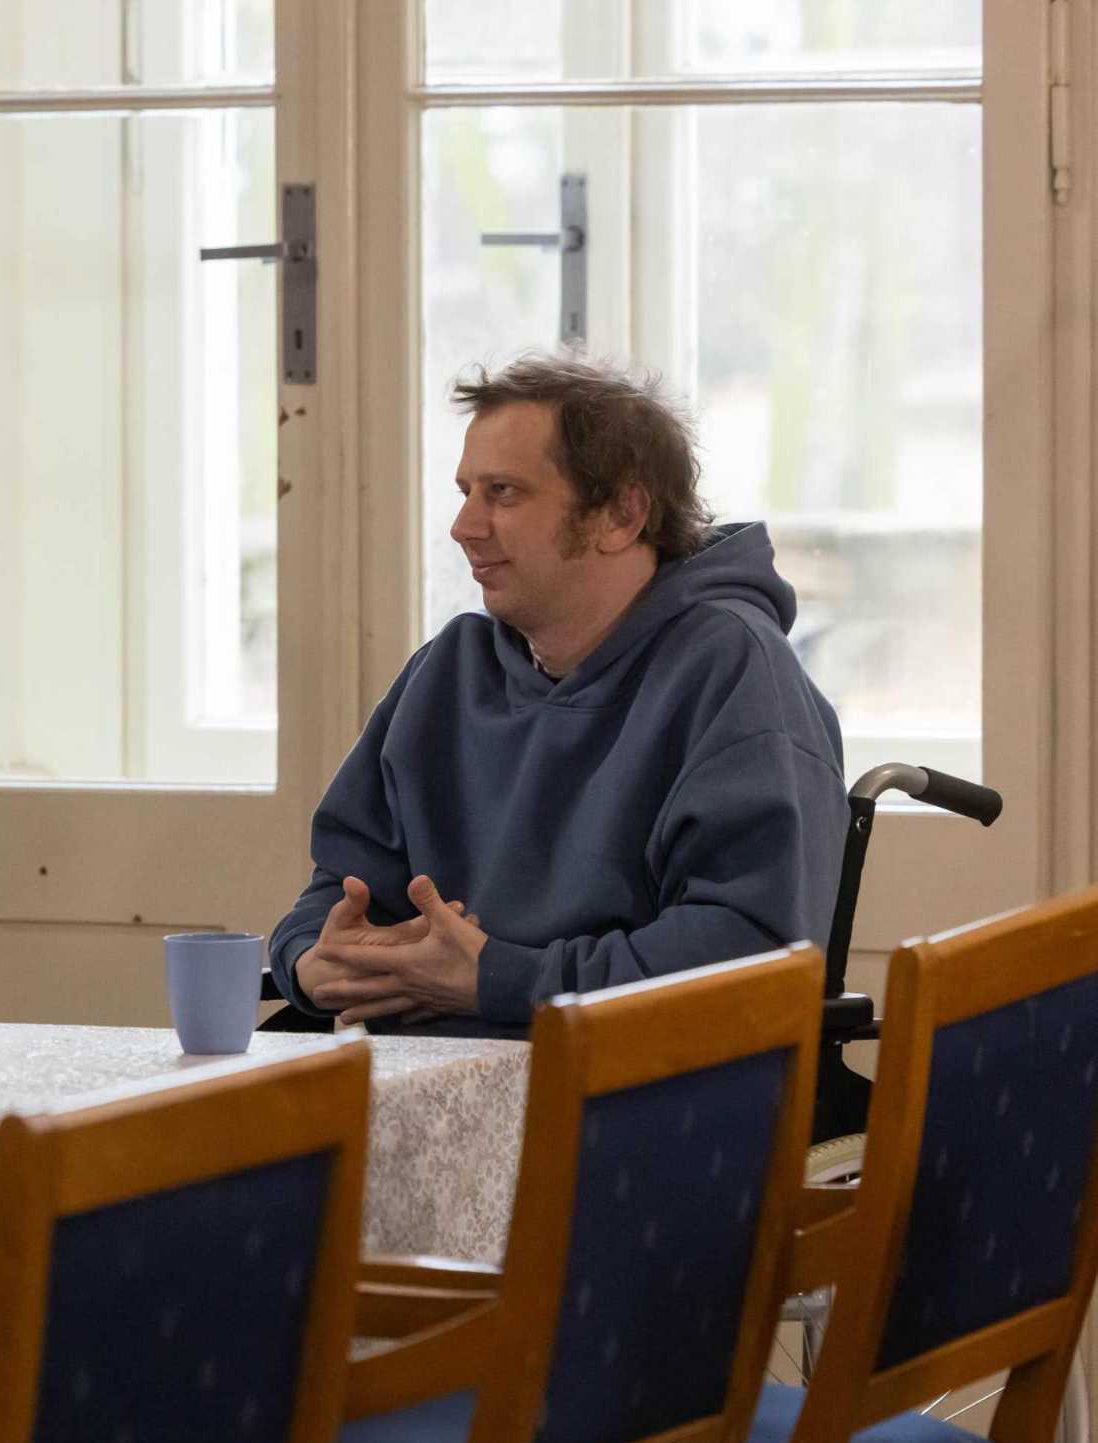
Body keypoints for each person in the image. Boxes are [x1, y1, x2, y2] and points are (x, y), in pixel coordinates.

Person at [270, 354, 847, 1030]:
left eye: (503, 493)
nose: (463, 526)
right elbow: (340, 887)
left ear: (621, 515)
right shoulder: (448, 669)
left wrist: (498, 979)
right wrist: (314, 960)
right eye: (465, 491)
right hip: (416, 1068)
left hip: (624, 1076)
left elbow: (754, 953)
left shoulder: (731, 670)